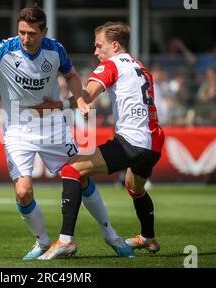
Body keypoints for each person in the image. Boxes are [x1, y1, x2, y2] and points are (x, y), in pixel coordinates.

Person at [0, 6, 133, 260]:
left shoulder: (55, 49)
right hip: (18, 131)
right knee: (23, 192)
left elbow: (72, 75)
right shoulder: (4, 50)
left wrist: (81, 100)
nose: (25, 38)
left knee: (82, 177)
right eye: (21, 32)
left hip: (53, 126)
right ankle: (42, 242)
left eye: (32, 33)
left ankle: (110, 234)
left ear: (44, 31)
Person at [36, 22, 165, 260]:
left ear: (114, 45)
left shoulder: (111, 64)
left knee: (72, 169)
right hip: (154, 143)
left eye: (99, 46)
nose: (96, 52)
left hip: (131, 142)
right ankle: (148, 237)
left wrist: (59, 105)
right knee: (134, 187)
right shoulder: (141, 67)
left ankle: (65, 240)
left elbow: (88, 94)